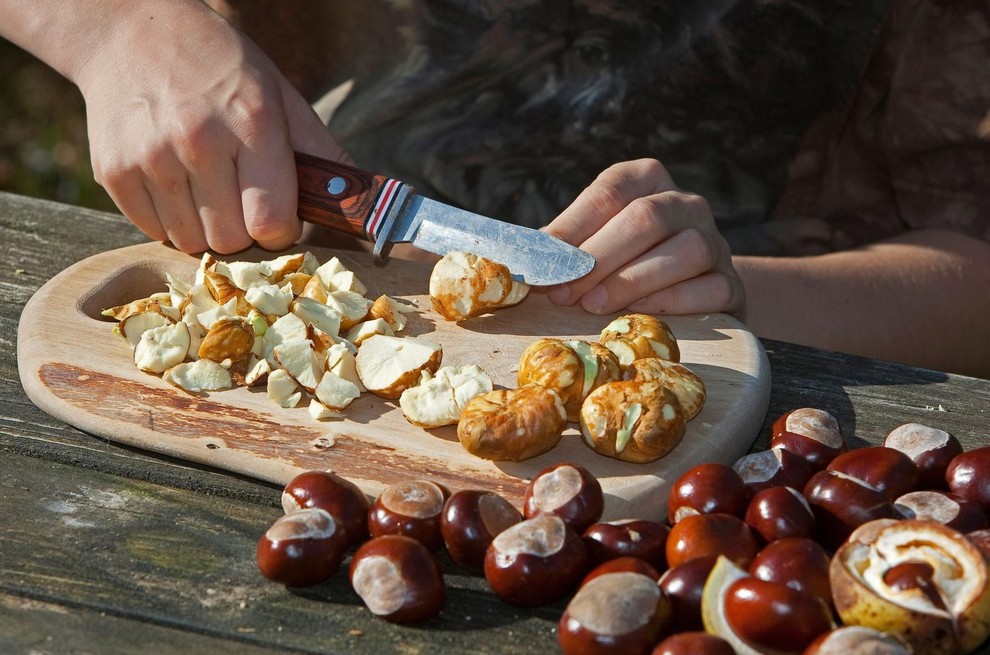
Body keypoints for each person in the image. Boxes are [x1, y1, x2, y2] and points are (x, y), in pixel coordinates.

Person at [2, 0, 988, 378]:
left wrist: (723, 301)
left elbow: (973, 273)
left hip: (734, 367)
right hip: (308, 295)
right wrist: (115, 26)